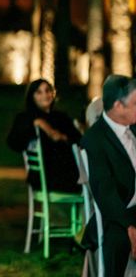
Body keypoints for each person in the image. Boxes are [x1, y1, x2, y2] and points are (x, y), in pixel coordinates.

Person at [81, 74, 136, 276]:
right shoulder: (94, 140)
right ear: (118, 106)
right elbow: (105, 192)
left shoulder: (134, 128)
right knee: (118, 240)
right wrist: (129, 225)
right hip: (117, 214)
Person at [6, 78, 81, 193]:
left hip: (66, 172)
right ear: (32, 96)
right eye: (39, 92)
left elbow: (79, 140)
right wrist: (36, 123)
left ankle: (89, 208)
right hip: (44, 176)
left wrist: (60, 136)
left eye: (47, 90)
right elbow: (14, 142)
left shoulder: (61, 117)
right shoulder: (26, 117)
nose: (45, 95)